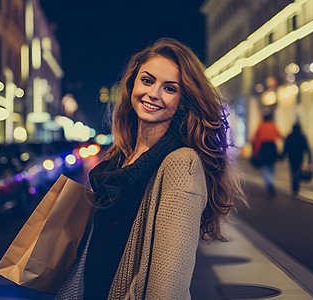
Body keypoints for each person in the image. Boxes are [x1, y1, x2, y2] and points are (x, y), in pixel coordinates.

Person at [56, 37, 245, 299]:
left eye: (169, 88)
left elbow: (167, 289)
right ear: (132, 84)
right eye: (147, 80)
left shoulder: (182, 164)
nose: (154, 93)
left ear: (183, 99)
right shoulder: (120, 157)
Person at [252, 113, 283, 197]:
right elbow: (281, 136)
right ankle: (271, 182)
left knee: (265, 166)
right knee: (272, 166)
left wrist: (255, 150)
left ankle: (268, 184)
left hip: (264, 147)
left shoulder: (261, 126)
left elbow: (254, 138)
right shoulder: (273, 125)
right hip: (272, 147)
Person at [282, 122, 312, 196]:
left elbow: (286, 147)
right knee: (298, 170)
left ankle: (294, 187)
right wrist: (310, 158)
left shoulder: (290, 136)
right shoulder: (302, 136)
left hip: (291, 157)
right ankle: (297, 185)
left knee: (292, 171)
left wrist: (283, 156)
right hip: (299, 156)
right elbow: (307, 147)